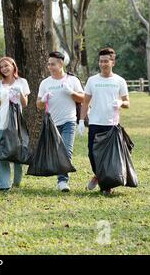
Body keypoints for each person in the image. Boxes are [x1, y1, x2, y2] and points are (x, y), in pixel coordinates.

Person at [78, 47, 130, 196]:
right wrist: (81, 121)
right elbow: (85, 102)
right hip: (95, 123)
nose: (103, 64)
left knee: (109, 157)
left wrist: (120, 103)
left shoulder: (119, 81)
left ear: (112, 62)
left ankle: (106, 186)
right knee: (92, 155)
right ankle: (99, 175)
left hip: (112, 125)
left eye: (106, 61)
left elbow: (128, 103)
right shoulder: (92, 80)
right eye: (101, 61)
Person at [36, 51, 85, 192]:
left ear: (61, 64)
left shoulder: (72, 81)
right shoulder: (45, 83)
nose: (50, 67)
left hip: (69, 121)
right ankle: (61, 179)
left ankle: (63, 181)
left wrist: (71, 92)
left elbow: (82, 99)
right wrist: (43, 99)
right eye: (49, 64)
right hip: (52, 124)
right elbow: (38, 104)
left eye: (53, 64)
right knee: (58, 152)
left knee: (66, 151)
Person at [0, 57, 30, 191]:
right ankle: (3, 185)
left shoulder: (22, 82)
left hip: (16, 124)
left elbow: (25, 104)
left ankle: (17, 181)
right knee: (0, 154)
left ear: (13, 66)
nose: (4, 68)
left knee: (16, 152)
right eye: (1, 67)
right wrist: (4, 96)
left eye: (6, 65)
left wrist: (19, 92)